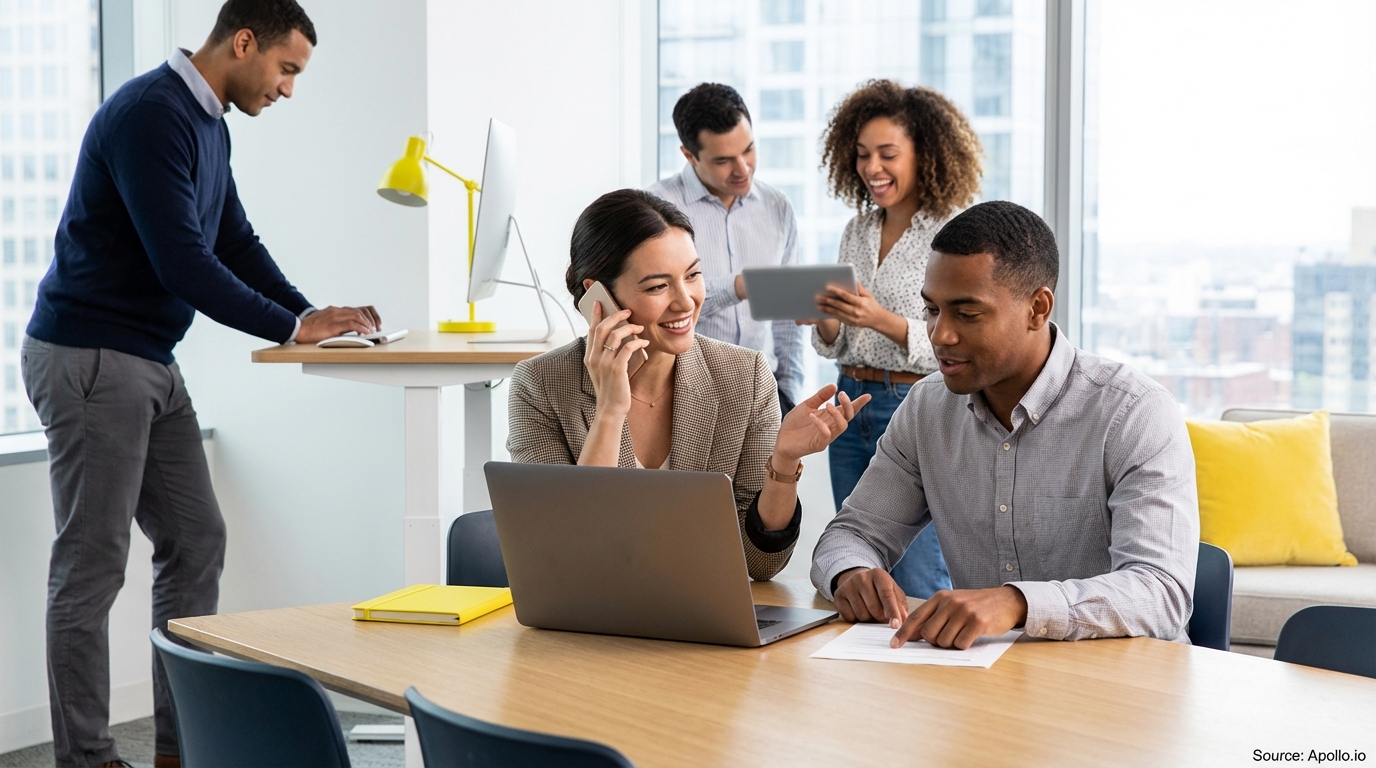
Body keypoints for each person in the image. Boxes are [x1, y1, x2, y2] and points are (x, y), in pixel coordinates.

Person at [20, 2, 379, 765]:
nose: (287, 90)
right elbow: (182, 262)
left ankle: (183, 745)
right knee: (91, 564)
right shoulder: (154, 115)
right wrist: (290, 329)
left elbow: (233, 241)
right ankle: (84, 759)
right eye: (286, 69)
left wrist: (308, 312)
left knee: (195, 537)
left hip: (147, 357)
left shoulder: (207, 122)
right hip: (92, 355)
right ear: (242, 43)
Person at [811, 201, 1199, 649]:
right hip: (988, 687)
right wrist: (853, 571)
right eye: (932, 310)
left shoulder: (1135, 412)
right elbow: (851, 534)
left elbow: (1161, 591)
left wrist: (1018, 603)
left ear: (1038, 308)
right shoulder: (926, 409)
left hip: (1125, 693)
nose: (939, 335)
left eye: (967, 314)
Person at [507, 189, 868, 580]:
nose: (686, 302)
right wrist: (610, 410)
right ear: (599, 297)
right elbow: (570, 557)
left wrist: (782, 462)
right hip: (587, 623)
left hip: (702, 620)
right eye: (657, 286)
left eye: (693, 275)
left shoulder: (743, 376)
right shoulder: (540, 385)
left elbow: (760, 563)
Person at [804, 79, 983, 599]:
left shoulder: (953, 232)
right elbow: (839, 344)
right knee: (856, 559)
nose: (872, 168)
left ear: (924, 153)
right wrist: (828, 320)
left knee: (920, 574)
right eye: (862, 155)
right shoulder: (856, 230)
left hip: (916, 402)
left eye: (887, 154)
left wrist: (880, 318)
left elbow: (962, 341)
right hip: (849, 401)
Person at [646, 83, 804, 412]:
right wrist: (739, 287)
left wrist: (788, 395)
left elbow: (787, 320)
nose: (742, 169)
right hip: (682, 392)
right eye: (723, 160)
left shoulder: (777, 207)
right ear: (689, 155)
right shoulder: (655, 209)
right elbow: (653, 302)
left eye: (748, 150)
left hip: (764, 391)